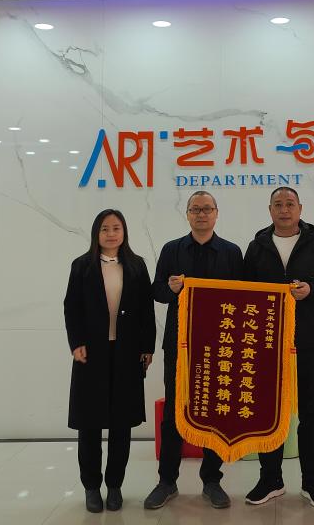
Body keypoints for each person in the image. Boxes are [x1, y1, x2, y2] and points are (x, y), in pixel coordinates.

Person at [242, 186, 314, 508]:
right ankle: (270, 479)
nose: (284, 210)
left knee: (311, 413)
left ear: (300, 208)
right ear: (270, 210)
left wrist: (313, 290)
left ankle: (313, 482)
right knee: (268, 414)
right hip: (267, 345)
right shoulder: (257, 247)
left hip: (309, 342)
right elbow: (243, 290)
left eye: (289, 204)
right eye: (278, 205)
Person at [144, 191, 244, 510]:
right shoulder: (171, 250)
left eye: (207, 209)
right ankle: (167, 481)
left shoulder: (231, 252)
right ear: (187, 214)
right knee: (174, 411)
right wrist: (170, 289)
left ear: (216, 213)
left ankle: (211, 480)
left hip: (219, 345)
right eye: (195, 209)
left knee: (215, 412)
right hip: (179, 343)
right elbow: (156, 291)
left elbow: (244, 297)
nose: (201, 214)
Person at [64, 209, 156, 513]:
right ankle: (92, 486)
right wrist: (76, 342)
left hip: (127, 353)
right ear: (96, 233)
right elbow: (72, 307)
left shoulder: (136, 265)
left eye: (116, 228)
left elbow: (146, 309)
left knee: (121, 424)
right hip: (91, 353)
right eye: (105, 228)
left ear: (124, 232)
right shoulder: (82, 266)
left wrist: (147, 347)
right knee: (89, 423)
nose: (111, 233)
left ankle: (114, 485)